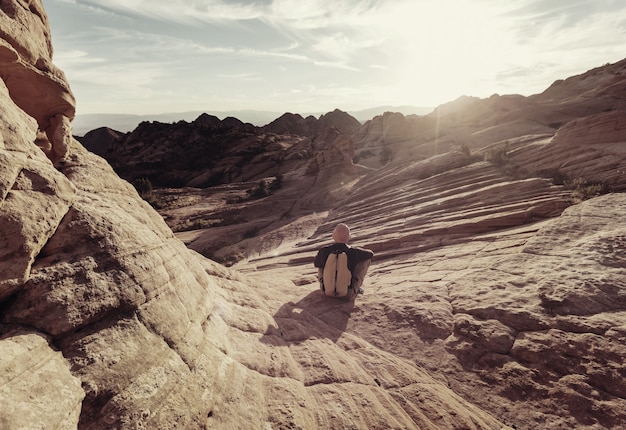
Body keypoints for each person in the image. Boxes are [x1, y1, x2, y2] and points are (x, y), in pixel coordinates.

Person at [314, 223, 374, 294]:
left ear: (334, 236)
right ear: (348, 237)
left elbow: (316, 264)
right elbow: (370, 254)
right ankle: (355, 287)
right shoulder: (353, 252)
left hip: (326, 292)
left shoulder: (324, 250)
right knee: (366, 260)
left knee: (321, 264)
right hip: (347, 293)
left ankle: (325, 286)